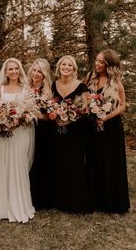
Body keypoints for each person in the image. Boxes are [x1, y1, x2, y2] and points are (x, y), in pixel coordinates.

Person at [0, 58, 35, 223]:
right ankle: (0, 207)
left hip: (20, 133)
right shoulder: (0, 88)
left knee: (18, 165)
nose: (14, 71)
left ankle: (19, 205)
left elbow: (29, 112)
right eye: (10, 69)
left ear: (20, 70)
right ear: (5, 72)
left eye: (16, 68)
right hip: (2, 132)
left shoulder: (26, 89)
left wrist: (16, 122)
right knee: (2, 164)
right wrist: (1, 122)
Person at [85, 49, 130, 214]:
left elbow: (122, 106)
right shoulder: (90, 78)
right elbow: (84, 98)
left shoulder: (116, 83)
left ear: (109, 65)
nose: (97, 64)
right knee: (94, 159)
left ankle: (111, 202)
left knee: (110, 161)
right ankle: (94, 200)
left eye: (101, 62)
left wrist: (106, 117)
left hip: (110, 126)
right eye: (96, 61)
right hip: (92, 126)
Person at [51, 55, 93, 213]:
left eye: (70, 65)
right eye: (63, 64)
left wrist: (69, 119)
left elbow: (86, 110)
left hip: (77, 131)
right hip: (57, 130)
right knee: (60, 162)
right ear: (59, 67)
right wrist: (55, 114)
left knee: (74, 163)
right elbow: (49, 105)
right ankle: (60, 200)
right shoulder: (53, 85)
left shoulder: (81, 86)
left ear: (74, 69)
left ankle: (76, 202)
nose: (66, 67)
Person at [28, 58, 56, 210]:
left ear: (45, 74)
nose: (36, 74)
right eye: (35, 70)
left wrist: (40, 116)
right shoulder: (24, 87)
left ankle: (42, 199)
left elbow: (51, 115)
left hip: (43, 130)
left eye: (40, 71)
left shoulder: (49, 90)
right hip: (26, 127)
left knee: (41, 161)